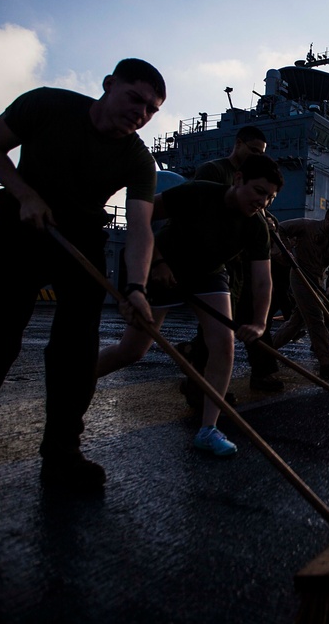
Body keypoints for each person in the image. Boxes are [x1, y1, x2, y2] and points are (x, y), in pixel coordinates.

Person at [0, 58, 166, 492]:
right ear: (108, 84)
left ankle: (62, 455)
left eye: (152, 110)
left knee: (76, 355)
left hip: (81, 243)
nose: (141, 113)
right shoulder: (46, 106)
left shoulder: (137, 159)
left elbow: (140, 228)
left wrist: (135, 288)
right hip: (19, 229)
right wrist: (25, 194)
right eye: (135, 98)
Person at [97, 154, 280, 456]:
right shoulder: (198, 192)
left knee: (224, 344)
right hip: (165, 269)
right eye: (259, 191)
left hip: (208, 274)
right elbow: (142, 216)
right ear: (237, 180)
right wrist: (156, 262)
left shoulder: (257, 227)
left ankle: (209, 429)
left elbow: (263, 281)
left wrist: (259, 323)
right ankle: (77, 381)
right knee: (132, 350)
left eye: (270, 198)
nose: (263, 202)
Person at [184, 125, 284, 399]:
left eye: (260, 153)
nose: (255, 156)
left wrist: (266, 220)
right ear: (237, 144)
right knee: (217, 324)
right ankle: (199, 386)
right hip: (213, 259)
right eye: (252, 150)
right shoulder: (214, 172)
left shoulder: (254, 178)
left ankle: (262, 371)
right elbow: (194, 213)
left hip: (239, 260)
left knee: (252, 314)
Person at [271, 205, 329, 379]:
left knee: (297, 321)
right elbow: (280, 228)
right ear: (328, 218)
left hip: (318, 278)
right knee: (315, 318)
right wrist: (285, 251)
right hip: (299, 274)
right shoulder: (306, 226)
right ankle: (326, 363)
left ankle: (267, 349)